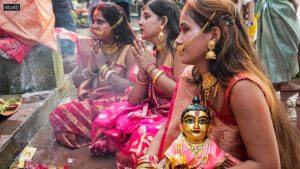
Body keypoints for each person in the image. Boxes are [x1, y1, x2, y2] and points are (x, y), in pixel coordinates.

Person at [143, 0, 300, 169]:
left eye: (186, 30)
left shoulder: (242, 88)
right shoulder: (191, 77)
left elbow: (267, 164)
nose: (177, 41)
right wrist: (145, 163)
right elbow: (168, 128)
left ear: (214, 35)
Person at [89, 0, 186, 168]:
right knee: (114, 118)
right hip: (153, 112)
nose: (140, 22)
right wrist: (143, 72)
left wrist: (151, 68)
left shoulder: (178, 51)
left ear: (163, 22)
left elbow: (181, 93)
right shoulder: (152, 52)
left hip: (175, 117)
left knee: (142, 135)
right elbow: (133, 100)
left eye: (146, 16)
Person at [49, 2, 136, 149]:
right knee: (58, 115)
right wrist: (91, 69)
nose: (94, 26)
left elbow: (131, 86)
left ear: (115, 25)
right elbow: (76, 81)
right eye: (94, 21)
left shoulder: (129, 50)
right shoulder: (92, 47)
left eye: (100, 22)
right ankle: (102, 133)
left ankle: (105, 132)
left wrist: (103, 67)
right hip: (95, 102)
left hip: (118, 106)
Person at [135, 96, 241, 169]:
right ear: (181, 126)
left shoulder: (212, 149)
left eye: (202, 121)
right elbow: (165, 165)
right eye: (190, 121)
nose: (196, 126)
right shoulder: (178, 146)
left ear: (209, 128)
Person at [255, 0, 300, 93]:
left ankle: (276, 80)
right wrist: (294, 2)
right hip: (280, 8)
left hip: (271, 9)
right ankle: (284, 82)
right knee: (290, 44)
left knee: (271, 45)